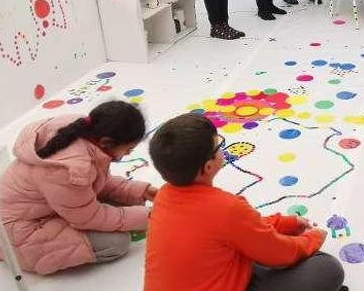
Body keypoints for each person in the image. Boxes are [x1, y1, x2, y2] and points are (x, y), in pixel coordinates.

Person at [144, 113, 346, 291]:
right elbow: (281, 253)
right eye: (219, 145)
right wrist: (312, 238)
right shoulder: (226, 207)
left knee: (248, 250)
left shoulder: (163, 197)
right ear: (207, 166)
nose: (223, 149)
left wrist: (286, 223)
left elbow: (238, 229)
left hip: (204, 276)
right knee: (327, 268)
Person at [0, 101, 157, 275]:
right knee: (118, 242)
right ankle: (4, 254)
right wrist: (149, 217)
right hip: (20, 235)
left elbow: (97, 182)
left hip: (43, 209)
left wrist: (140, 191)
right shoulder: (69, 169)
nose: (129, 154)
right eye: (128, 149)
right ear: (106, 142)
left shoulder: (83, 131)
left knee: (130, 210)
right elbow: (90, 217)